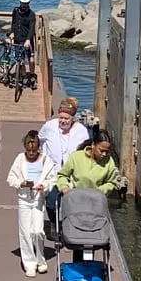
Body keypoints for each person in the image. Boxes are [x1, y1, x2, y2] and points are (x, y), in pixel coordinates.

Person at [6, 130, 57, 276]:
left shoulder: (46, 160)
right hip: (24, 199)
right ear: (25, 148)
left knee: (38, 230)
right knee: (25, 231)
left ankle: (41, 259)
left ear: (38, 148)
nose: (31, 154)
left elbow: (52, 179)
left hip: (38, 199)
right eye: (28, 151)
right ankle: (29, 262)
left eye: (34, 151)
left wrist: (44, 186)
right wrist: (21, 183)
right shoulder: (19, 159)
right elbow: (11, 178)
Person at [39, 97, 90, 239]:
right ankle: (55, 224)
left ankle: (69, 228)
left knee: (70, 204)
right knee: (50, 202)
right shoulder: (49, 127)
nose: (63, 121)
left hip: (72, 175)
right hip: (53, 173)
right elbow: (39, 140)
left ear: (72, 119)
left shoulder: (81, 131)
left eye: (66, 119)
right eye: (61, 117)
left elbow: (86, 151)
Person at [56, 125, 118, 195]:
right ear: (93, 145)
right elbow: (62, 175)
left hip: (96, 200)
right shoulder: (76, 157)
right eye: (101, 151)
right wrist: (64, 187)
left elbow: (111, 182)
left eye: (107, 151)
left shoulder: (109, 162)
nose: (104, 154)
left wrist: (100, 191)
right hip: (75, 198)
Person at [7, 0, 36, 88]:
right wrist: (12, 32)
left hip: (27, 40)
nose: (25, 5)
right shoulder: (15, 11)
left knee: (31, 60)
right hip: (17, 39)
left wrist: (28, 39)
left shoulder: (32, 14)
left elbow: (32, 28)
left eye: (26, 4)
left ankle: (32, 76)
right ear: (20, 3)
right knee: (21, 60)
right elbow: (13, 23)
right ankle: (23, 76)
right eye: (23, 3)